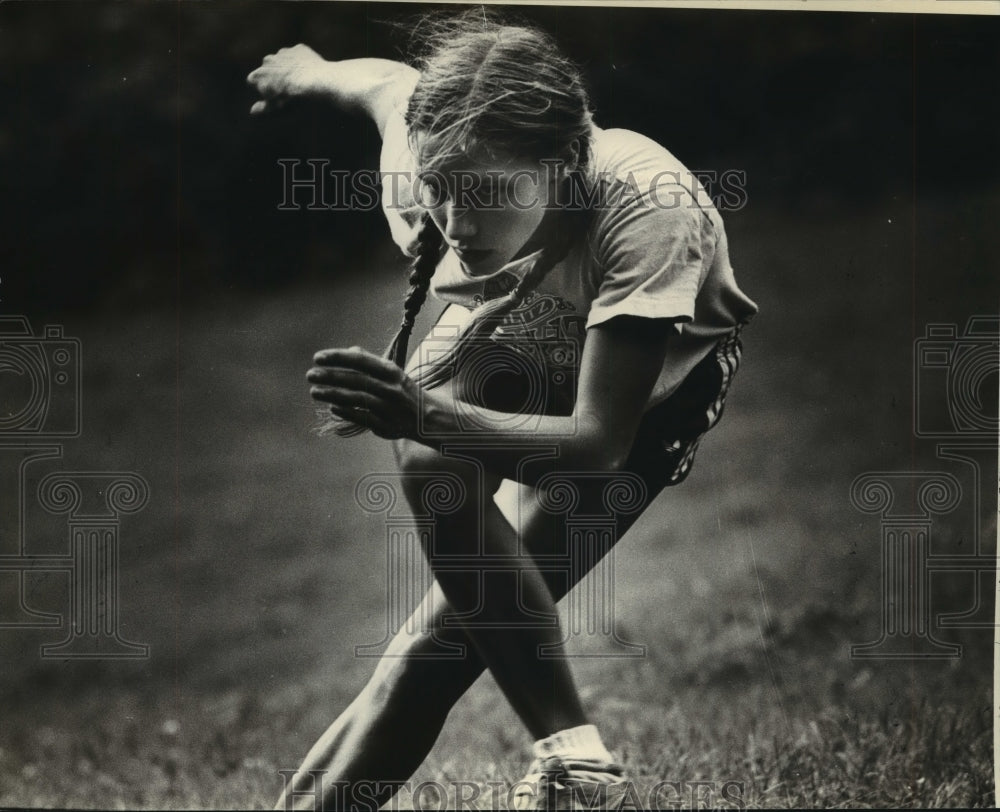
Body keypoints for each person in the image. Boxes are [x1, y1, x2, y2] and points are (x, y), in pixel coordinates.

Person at [248, 11, 757, 811]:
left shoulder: (647, 205)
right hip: (518, 331)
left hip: (647, 400)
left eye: (484, 195)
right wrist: (304, 69)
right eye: (439, 193)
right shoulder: (430, 163)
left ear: (560, 165)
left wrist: (421, 412)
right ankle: (576, 760)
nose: (456, 225)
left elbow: (595, 446)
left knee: (436, 648)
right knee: (425, 477)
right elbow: (385, 84)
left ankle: (574, 761)